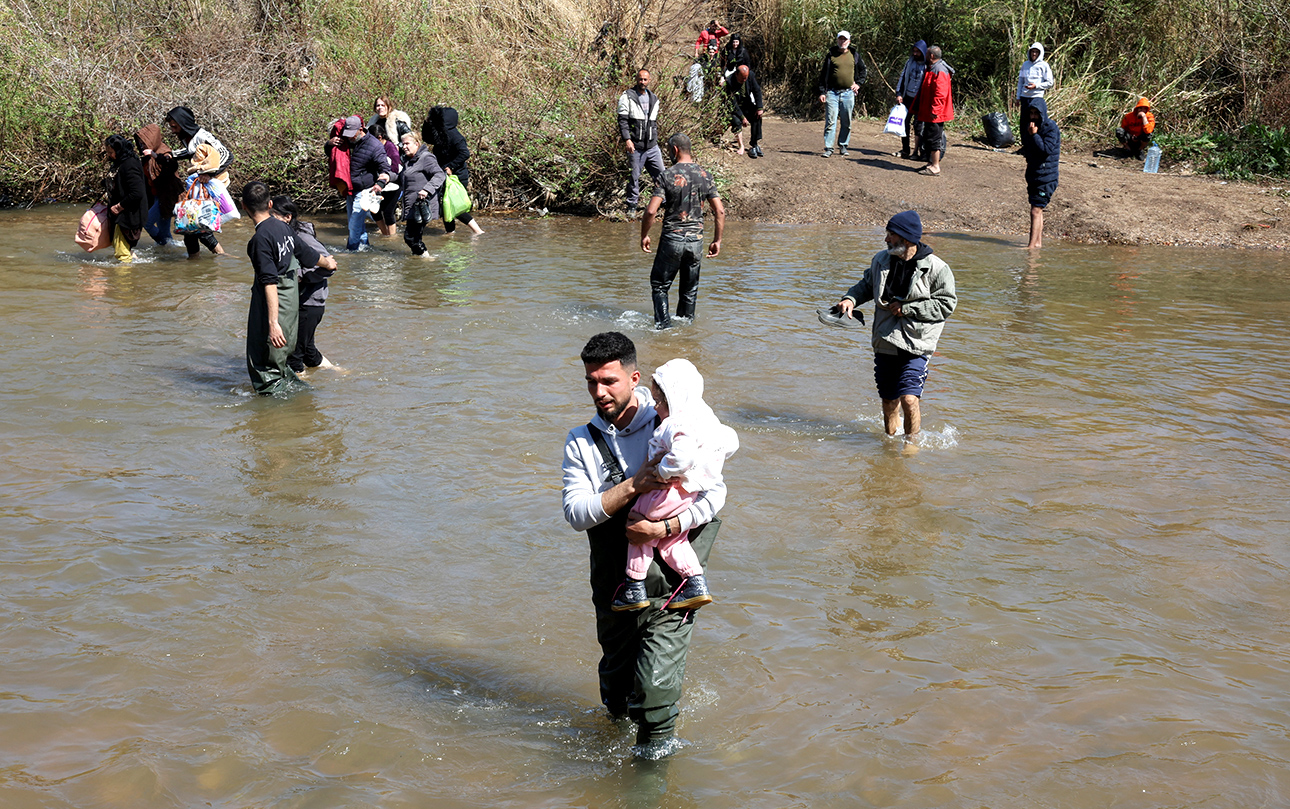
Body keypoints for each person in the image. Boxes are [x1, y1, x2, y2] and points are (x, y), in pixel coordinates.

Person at [561, 331, 726, 758]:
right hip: (616, 583)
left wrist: (664, 526)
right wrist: (635, 485)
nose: (599, 392)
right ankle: (613, 753)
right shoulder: (581, 441)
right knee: (617, 691)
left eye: (609, 381)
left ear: (635, 379)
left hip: (675, 583)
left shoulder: (676, 420)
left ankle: (651, 776)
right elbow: (576, 514)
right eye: (591, 382)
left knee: (654, 693)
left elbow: (715, 495)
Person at [611, 358, 738, 614]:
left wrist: (661, 470)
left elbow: (683, 456)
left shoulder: (676, 423)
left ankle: (634, 585)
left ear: (674, 399)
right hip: (688, 496)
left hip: (665, 491)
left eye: (659, 401)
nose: (655, 407)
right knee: (674, 541)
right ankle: (695, 582)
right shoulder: (708, 423)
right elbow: (731, 442)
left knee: (638, 526)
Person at [833, 210, 957, 437]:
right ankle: (890, 447)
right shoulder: (880, 260)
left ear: (906, 238)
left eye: (891, 234)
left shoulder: (938, 268)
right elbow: (867, 285)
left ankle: (911, 447)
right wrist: (850, 299)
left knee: (909, 399)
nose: (886, 239)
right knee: (889, 402)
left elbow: (946, 305)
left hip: (917, 343)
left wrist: (908, 308)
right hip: (885, 340)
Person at [241, 181, 335, 395]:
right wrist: (328, 263)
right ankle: (304, 401)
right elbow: (307, 254)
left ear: (243, 206)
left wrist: (273, 323)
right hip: (291, 308)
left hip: (275, 308)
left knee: (265, 368)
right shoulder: (283, 227)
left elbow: (269, 282)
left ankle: (282, 410)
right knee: (282, 364)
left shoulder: (260, 239)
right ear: (270, 204)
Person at [640, 133, 725, 329]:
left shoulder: (666, 175)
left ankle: (664, 329)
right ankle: (686, 333)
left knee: (660, 286)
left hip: (672, 239)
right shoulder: (705, 175)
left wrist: (644, 235)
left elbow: (651, 211)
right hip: (696, 242)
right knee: (689, 290)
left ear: (675, 150)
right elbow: (719, 211)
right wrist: (717, 240)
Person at [272, 196, 338, 372]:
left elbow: (330, 266)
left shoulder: (301, 237)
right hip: (301, 301)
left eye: (273, 216)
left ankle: (300, 387)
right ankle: (338, 373)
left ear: (288, 217)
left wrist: (301, 277)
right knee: (308, 351)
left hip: (310, 302)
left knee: (294, 354)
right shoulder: (283, 235)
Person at [165, 106, 230, 258]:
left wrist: (209, 173)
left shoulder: (203, 136)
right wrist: (170, 155)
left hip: (213, 187)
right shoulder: (187, 136)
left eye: (174, 127)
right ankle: (194, 262)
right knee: (189, 227)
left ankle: (222, 257)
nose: (173, 131)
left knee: (201, 226)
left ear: (183, 123)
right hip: (199, 187)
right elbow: (190, 151)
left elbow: (226, 155)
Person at [326, 115, 391, 250]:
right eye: (347, 134)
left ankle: (351, 251)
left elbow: (385, 168)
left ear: (361, 129)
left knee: (354, 224)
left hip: (365, 190)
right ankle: (365, 249)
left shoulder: (375, 145)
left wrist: (380, 184)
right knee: (357, 224)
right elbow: (332, 153)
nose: (349, 137)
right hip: (350, 189)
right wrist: (329, 144)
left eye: (352, 134)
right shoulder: (345, 140)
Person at [421, 106, 485, 235]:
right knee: (446, 205)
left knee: (454, 204)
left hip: (457, 175)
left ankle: (478, 231)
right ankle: (450, 233)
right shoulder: (441, 134)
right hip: (443, 174)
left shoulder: (456, 136)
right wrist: (426, 123)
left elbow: (464, 153)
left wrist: (451, 166)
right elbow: (427, 138)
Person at [617, 69, 664, 218]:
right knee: (634, 176)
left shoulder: (654, 98)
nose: (642, 82)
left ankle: (663, 202)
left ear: (649, 80)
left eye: (645, 79)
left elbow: (654, 123)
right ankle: (632, 205)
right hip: (635, 146)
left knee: (661, 175)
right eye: (640, 79)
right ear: (636, 79)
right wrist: (627, 139)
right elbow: (622, 121)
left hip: (652, 146)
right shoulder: (627, 97)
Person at [817, 30, 866, 158]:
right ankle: (829, 148)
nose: (842, 41)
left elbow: (863, 71)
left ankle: (843, 146)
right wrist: (822, 92)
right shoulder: (831, 55)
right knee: (830, 121)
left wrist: (858, 84)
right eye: (840, 39)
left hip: (848, 93)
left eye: (845, 39)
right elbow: (823, 75)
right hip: (832, 93)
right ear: (837, 40)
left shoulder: (854, 55)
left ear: (849, 41)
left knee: (846, 121)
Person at [398, 131, 446, 256]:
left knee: (410, 237)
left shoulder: (426, 158)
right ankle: (418, 259)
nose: (404, 147)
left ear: (417, 144)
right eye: (403, 144)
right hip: (412, 206)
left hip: (421, 205)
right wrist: (385, 178)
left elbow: (440, 175)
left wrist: (426, 189)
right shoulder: (409, 160)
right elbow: (401, 178)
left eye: (407, 144)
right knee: (413, 237)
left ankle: (427, 259)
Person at [134, 124, 182, 246]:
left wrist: (155, 156)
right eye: (140, 143)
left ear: (151, 140)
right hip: (156, 196)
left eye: (144, 143)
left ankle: (164, 245)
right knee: (164, 231)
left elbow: (171, 164)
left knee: (147, 223)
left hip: (166, 197)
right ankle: (169, 251)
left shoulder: (164, 152)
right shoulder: (147, 157)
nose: (142, 146)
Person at [103, 134, 148, 263]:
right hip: (120, 213)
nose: (109, 155)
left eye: (111, 152)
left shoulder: (130, 164)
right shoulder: (119, 162)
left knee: (121, 253)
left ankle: (124, 275)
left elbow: (137, 192)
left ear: (119, 150)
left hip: (129, 213)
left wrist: (119, 206)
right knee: (119, 245)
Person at [1022, 99, 1060, 248]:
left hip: (1046, 177)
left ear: (1042, 113)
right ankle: (1037, 244)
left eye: (1036, 113)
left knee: (1035, 210)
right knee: (1037, 209)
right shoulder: (1030, 128)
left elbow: (1045, 150)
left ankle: (1030, 247)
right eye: (1031, 113)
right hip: (1034, 175)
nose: (1033, 117)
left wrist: (1034, 135)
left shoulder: (1051, 128)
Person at [915, 46, 954, 176]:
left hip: (936, 113)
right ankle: (931, 163)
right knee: (928, 137)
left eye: (926, 54)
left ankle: (935, 166)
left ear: (931, 56)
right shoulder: (932, 68)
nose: (924, 56)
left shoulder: (939, 70)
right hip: (929, 112)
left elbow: (940, 93)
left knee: (934, 138)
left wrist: (935, 110)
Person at [1015, 43, 1055, 155]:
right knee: (1024, 122)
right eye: (1032, 51)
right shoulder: (1025, 65)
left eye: (1036, 52)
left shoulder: (1044, 66)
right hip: (1025, 97)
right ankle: (1025, 147)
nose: (1034, 54)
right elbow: (1020, 81)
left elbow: (1050, 83)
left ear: (1040, 53)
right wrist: (1018, 97)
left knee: (1037, 122)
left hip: (1037, 97)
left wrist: (1036, 86)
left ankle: (1038, 146)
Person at [894, 41, 928, 160]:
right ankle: (905, 149)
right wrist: (899, 93)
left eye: (917, 51)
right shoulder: (910, 62)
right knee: (904, 123)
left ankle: (916, 152)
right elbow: (903, 77)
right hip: (908, 97)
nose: (915, 53)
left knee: (918, 126)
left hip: (920, 99)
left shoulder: (927, 65)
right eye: (914, 51)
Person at [368, 121, 402, 237]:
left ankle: (392, 236)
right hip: (377, 183)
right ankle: (385, 233)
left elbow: (395, 168)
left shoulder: (390, 148)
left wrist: (384, 175)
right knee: (375, 211)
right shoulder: (372, 148)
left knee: (388, 211)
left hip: (394, 184)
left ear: (379, 137)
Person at [725, 64, 764, 157]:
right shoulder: (729, 81)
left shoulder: (751, 76)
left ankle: (754, 143)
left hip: (746, 104)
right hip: (733, 108)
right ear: (736, 74)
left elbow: (757, 91)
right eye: (742, 78)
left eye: (746, 77)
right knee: (736, 121)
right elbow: (732, 103)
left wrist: (759, 108)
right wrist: (742, 117)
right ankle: (740, 146)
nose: (744, 80)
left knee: (757, 117)